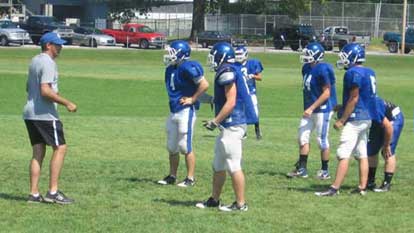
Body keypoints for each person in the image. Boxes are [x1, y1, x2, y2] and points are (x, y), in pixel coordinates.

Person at [195, 42, 253, 212]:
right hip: (228, 125)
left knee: (233, 165)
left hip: (233, 125)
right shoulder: (228, 69)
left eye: (214, 55)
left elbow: (231, 101)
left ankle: (241, 204)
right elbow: (224, 99)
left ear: (221, 56)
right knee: (218, 164)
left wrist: (215, 121)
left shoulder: (227, 72)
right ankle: (214, 199)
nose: (211, 59)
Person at [315, 43, 377, 197]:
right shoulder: (370, 71)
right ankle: (362, 187)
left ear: (353, 57)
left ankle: (334, 188)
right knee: (362, 153)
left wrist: (342, 119)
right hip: (367, 117)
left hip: (355, 119)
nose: (342, 59)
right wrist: (342, 107)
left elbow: (354, 98)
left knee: (343, 153)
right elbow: (362, 97)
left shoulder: (352, 73)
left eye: (345, 55)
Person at [23, 32, 77, 204]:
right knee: (60, 148)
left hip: (30, 113)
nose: (60, 47)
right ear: (48, 45)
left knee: (38, 151)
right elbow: (45, 91)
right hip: (44, 114)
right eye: (57, 44)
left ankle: (34, 194)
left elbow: (28, 88)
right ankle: (53, 192)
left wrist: (54, 94)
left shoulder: (34, 60)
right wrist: (67, 102)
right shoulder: (48, 63)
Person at [157, 40, 209, 187]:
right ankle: (172, 176)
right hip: (173, 110)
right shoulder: (170, 69)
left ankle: (190, 178)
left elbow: (204, 84)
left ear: (181, 53)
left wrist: (193, 99)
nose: (169, 55)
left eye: (172, 52)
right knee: (172, 146)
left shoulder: (188, 67)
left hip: (186, 111)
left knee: (185, 146)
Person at [286, 42, 337, 180]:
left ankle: (325, 171)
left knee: (322, 140)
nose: (305, 56)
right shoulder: (306, 68)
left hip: (323, 109)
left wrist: (312, 107)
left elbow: (327, 93)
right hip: (310, 108)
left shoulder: (323, 69)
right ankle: (302, 169)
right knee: (302, 137)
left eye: (308, 53)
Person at [367, 97, 404, 192]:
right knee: (371, 151)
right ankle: (370, 181)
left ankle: (386, 184)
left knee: (387, 152)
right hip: (378, 120)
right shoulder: (360, 100)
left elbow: (388, 127)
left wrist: (386, 145)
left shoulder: (373, 105)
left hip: (393, 119)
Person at [234, 46, 264, 139]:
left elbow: (260, 77)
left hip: (251, 92)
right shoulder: (234, 65)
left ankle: (257, 131)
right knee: (241, 112)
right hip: (240, 92)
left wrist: (252, 76)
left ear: (246, 55)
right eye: (237, 54)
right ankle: (243, 132)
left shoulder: (252, 63)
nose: (238, 56)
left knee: (254, 112)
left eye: (240, 54)